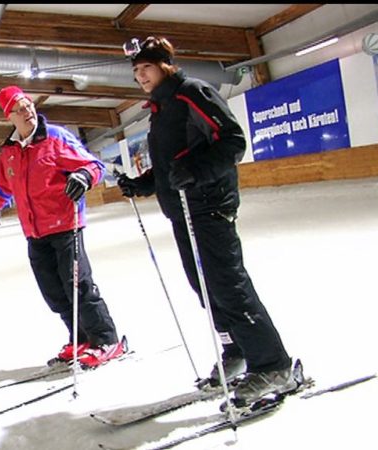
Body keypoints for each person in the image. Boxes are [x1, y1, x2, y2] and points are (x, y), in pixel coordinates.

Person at [117, 36, 296, 406]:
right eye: (136, 72)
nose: (140, 76)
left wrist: (195, 172)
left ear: (165, 64)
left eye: (146, 68)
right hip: (183, 209)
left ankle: (273, 364)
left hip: (209, 205)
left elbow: (232, 142)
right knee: (205, 289)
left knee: (229, 286)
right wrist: (145, 183)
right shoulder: (161, 108)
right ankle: (237, 352)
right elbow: (174, 164)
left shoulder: (192, 92)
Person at [0, 85, 126, 369]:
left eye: (28, 104)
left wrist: (83, 175)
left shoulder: (55, 138)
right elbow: (2, 191)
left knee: (78, 286)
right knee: (54, 292)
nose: (27, 111)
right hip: (35, 233)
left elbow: (94, 165)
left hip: (65, 225)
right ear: (8, 116)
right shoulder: (9, 152)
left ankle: (106, 339)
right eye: (19, 108)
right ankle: (80, 337)